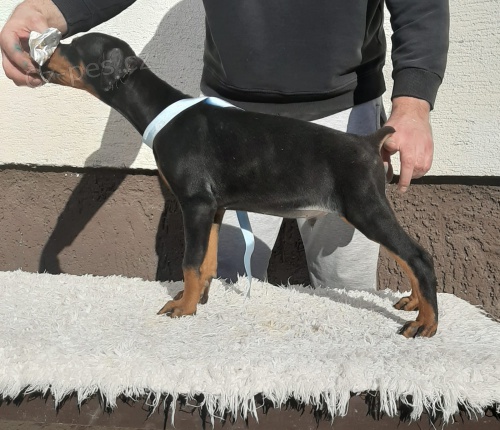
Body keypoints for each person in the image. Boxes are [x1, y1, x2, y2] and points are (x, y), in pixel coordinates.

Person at [0, 0, 449, 290]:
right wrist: (49, 10)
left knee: (348, 295)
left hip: (345, 119)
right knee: (229, 296)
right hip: (230, 128)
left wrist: (413, 104)